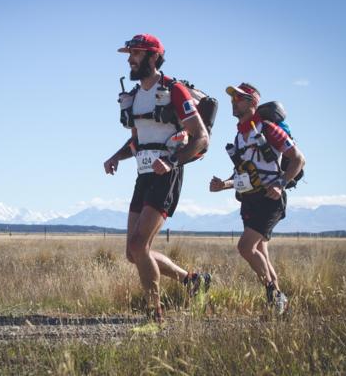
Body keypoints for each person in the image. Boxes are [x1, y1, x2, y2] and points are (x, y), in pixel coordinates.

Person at [103, 33, 211, 322]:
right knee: (133, 252)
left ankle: (155, 315)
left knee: (140, 246)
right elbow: (138, 142)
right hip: (144, 175)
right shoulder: (135, 97)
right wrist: (116, 157)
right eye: (130, 54)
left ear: (153, 57)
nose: (130, 59)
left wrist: (172, 160)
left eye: (136, 53)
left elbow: (201, 139)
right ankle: (192, 281)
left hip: (168, 174)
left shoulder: (174, 91)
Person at [209, 82, 305, 314]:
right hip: (250, 200)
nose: (234, 102)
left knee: (245, 247)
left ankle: (275, 295)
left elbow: (298, 159)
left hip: (269, 200)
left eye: (239, 98)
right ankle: (279, 306)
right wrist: (224, 184)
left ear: (252, 102)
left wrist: (281, 184)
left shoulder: (269, 128)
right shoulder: (240, 136)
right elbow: (243, 172)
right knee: (261, 253)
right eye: (233, 98)